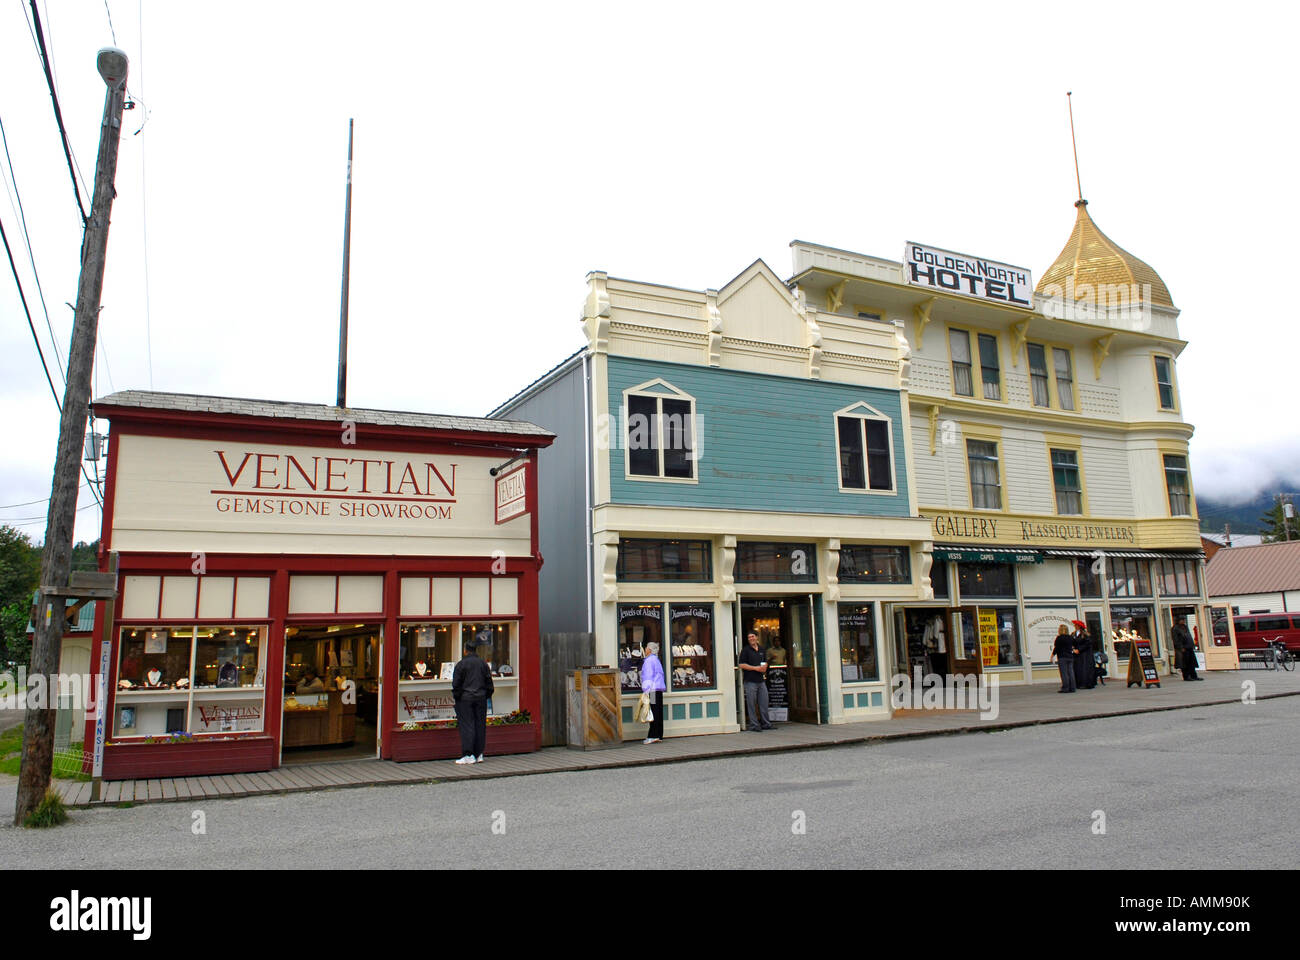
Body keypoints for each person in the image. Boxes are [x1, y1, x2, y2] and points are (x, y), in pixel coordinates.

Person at [451, 637, 494, 764]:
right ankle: (479, 753)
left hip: (466, 698)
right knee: (480, 725)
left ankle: (468, 754)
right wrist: (485, 694)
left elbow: (456, 684)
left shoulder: (461, 664)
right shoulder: (483, 664)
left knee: (467, 725)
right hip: (480, 697)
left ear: (465, 651)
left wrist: (458, 696)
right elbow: (489, 683)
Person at [738, 632, 773, 731]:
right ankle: (754, 725)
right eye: (749, 637)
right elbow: (741, 665)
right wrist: (755, 668)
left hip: (761, 680)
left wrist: (764, 667)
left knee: (764, 702)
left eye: (752, 636)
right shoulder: (745, 650)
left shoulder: (762, 649)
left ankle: (766, 723)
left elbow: (765, 662)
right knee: (751, 703)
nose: (751, 638)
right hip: (750, 681)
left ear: (757, 637)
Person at [639, 642, 666, 744]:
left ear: (649, 650)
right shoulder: (656, 660)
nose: (645, 650)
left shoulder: (649, 661)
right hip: (658, 689)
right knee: (658, 711)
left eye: (646, 648)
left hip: (652, 690)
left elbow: (648, 676)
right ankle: (659, 734)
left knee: (653, 711)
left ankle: (652, 735)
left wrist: (646, 690)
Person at [1050, 624, 1076, 693]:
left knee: (1064, 673)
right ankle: (1072, 687)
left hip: (1062, 657)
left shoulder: (1059, 638)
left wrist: (1052, 655)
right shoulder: (1070, 637)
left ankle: (1065, 687)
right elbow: (1074, 644)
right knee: (1071, 672)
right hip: (1070, 656)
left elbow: (1057, 648)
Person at [1072, 622, 1095, 689]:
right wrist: (1073, 648)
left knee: (1085, 668)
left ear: (1079, 626)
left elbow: (1087, 644)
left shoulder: (1085, 635)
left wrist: (1079, 649)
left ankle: (1086, 683)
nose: (1075, 626)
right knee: (1077, 668)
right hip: (1077, 654)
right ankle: (1078, 683)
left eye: (1076, 625)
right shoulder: (1073, 634)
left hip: (1085, 654)